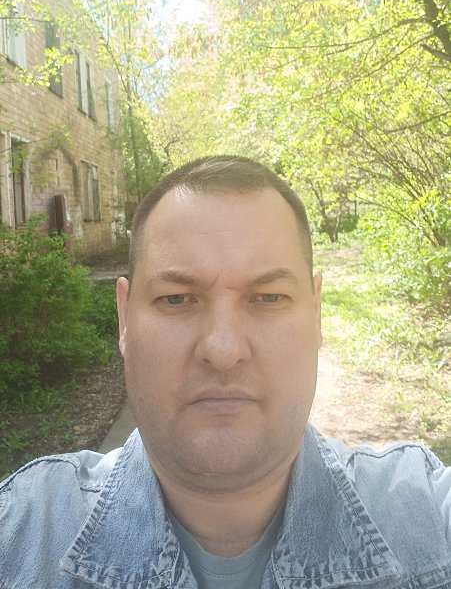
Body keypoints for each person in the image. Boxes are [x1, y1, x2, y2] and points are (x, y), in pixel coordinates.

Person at [0, 156, 450, 589]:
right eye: (176, 298)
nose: (222, 350)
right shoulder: (20, 531)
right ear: (124, 319)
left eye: (269, 297)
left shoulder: (428, 515)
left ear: (316, 315)